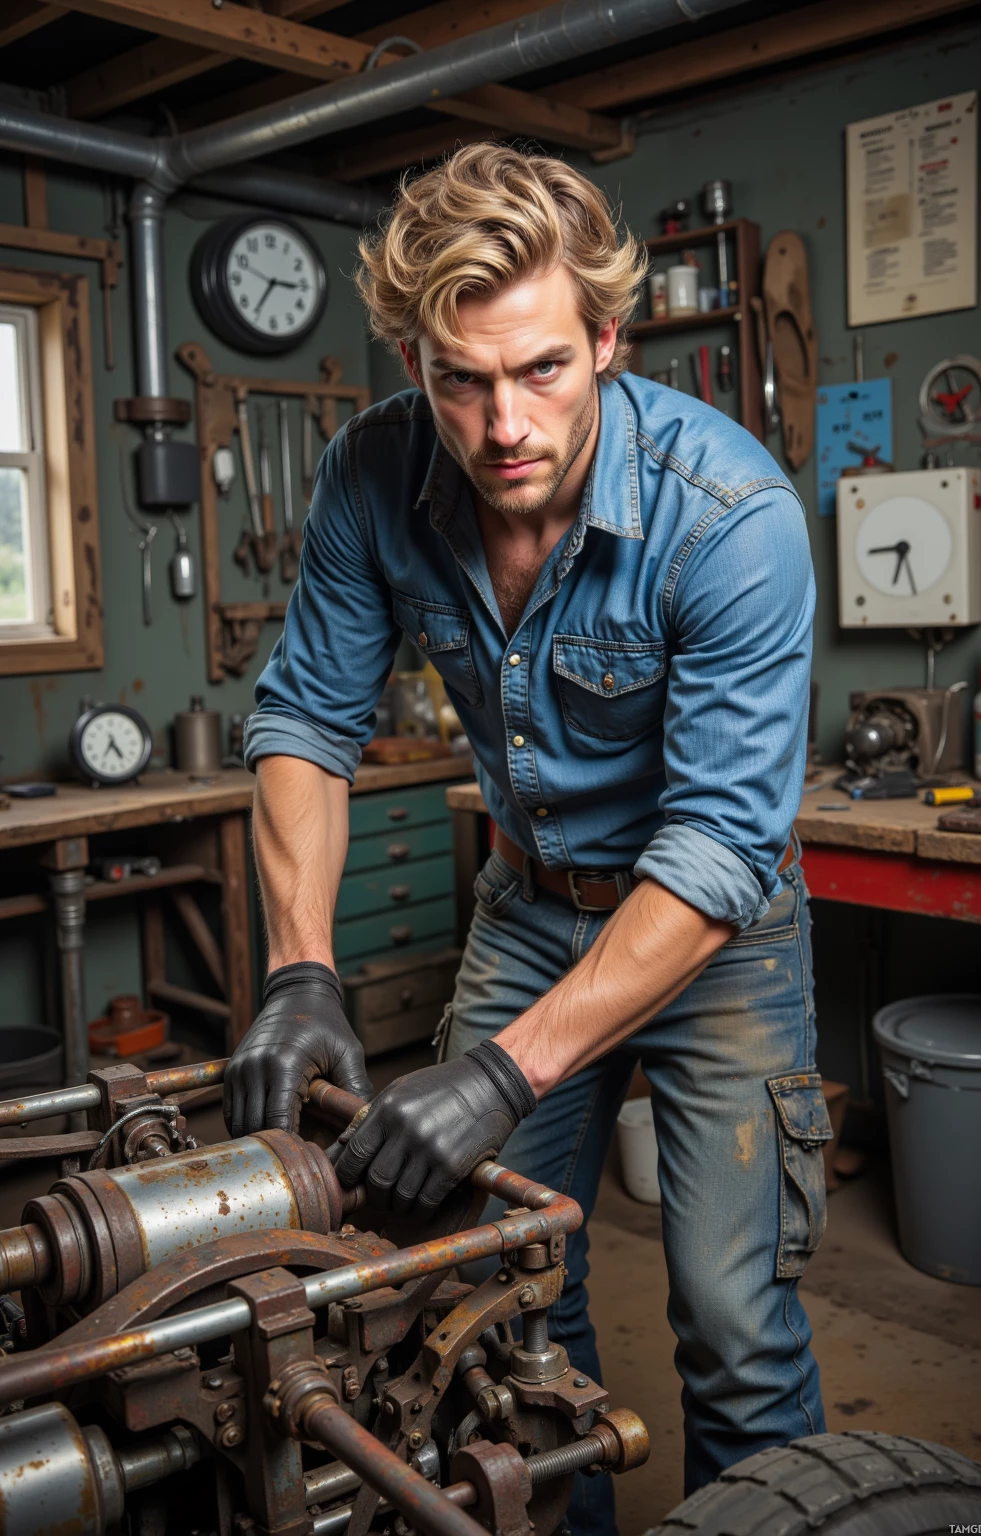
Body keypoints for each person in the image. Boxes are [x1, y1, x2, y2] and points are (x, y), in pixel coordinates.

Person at [226, 145, 828, 1532]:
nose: (504, 423)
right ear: (411, 357)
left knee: (736, 1324)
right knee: (488, 1296)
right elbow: (309, 721)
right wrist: (303, 969)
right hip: (530, 902)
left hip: (712, 931)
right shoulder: (370, 476)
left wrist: (503, 1072)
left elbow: (721, 850)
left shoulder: (727, 517)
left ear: (608, 339)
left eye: (545, 370)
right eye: (460, 380)